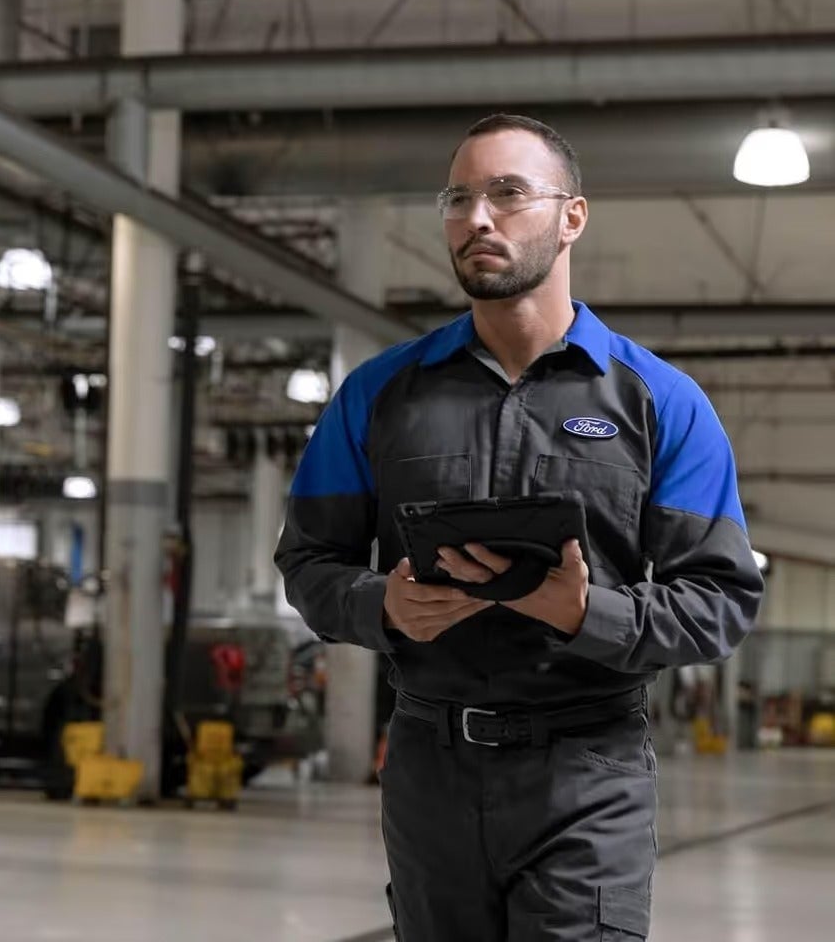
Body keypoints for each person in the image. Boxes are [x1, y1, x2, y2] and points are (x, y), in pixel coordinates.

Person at [276, 114, 762, 941]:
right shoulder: (379, 395)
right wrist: (382, 606)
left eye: (507, 193)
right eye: (458, 199)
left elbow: (720, 600)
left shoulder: (659, 402)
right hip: (430, 766)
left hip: (588, 769)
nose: (477, 219)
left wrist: (585, 615)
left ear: (571, 216)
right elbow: (309, 562)